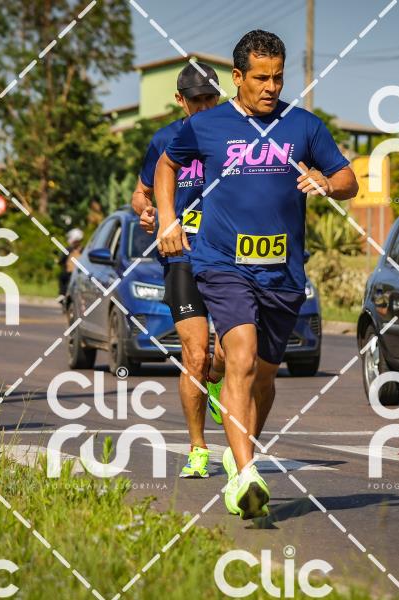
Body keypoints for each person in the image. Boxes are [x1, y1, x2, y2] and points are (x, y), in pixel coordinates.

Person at [155, 31, 358, 518]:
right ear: (238, 77)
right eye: (261, 77)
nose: (271, 87)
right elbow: (166, 164)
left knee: (265, 378)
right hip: (222, 263)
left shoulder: (303, 126)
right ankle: (245, 473)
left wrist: (327, 182)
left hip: (283, 271)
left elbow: (349, 179)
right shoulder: (207, 125)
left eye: (278, 78)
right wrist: (167, 219)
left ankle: (239, 451)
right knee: (240, 357)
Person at [132, 62, 223, 479]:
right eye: (196, 100)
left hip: (229, 254)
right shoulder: (164, 139)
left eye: (210, 98)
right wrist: (147, 210)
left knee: (226, 356)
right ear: (180, 100)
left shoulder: (238, 136)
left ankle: (217, 378)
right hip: (181, 254)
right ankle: (198, 448)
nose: (204, 107)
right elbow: (141, 192)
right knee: (195, 354)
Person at [58, 228, 83, 303]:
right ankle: (64, 295)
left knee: (62, 277)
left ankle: (62, 294)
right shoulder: (84, 250)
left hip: (73, 273)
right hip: (79, 274)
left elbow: (62, 260)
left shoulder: (69, 250)